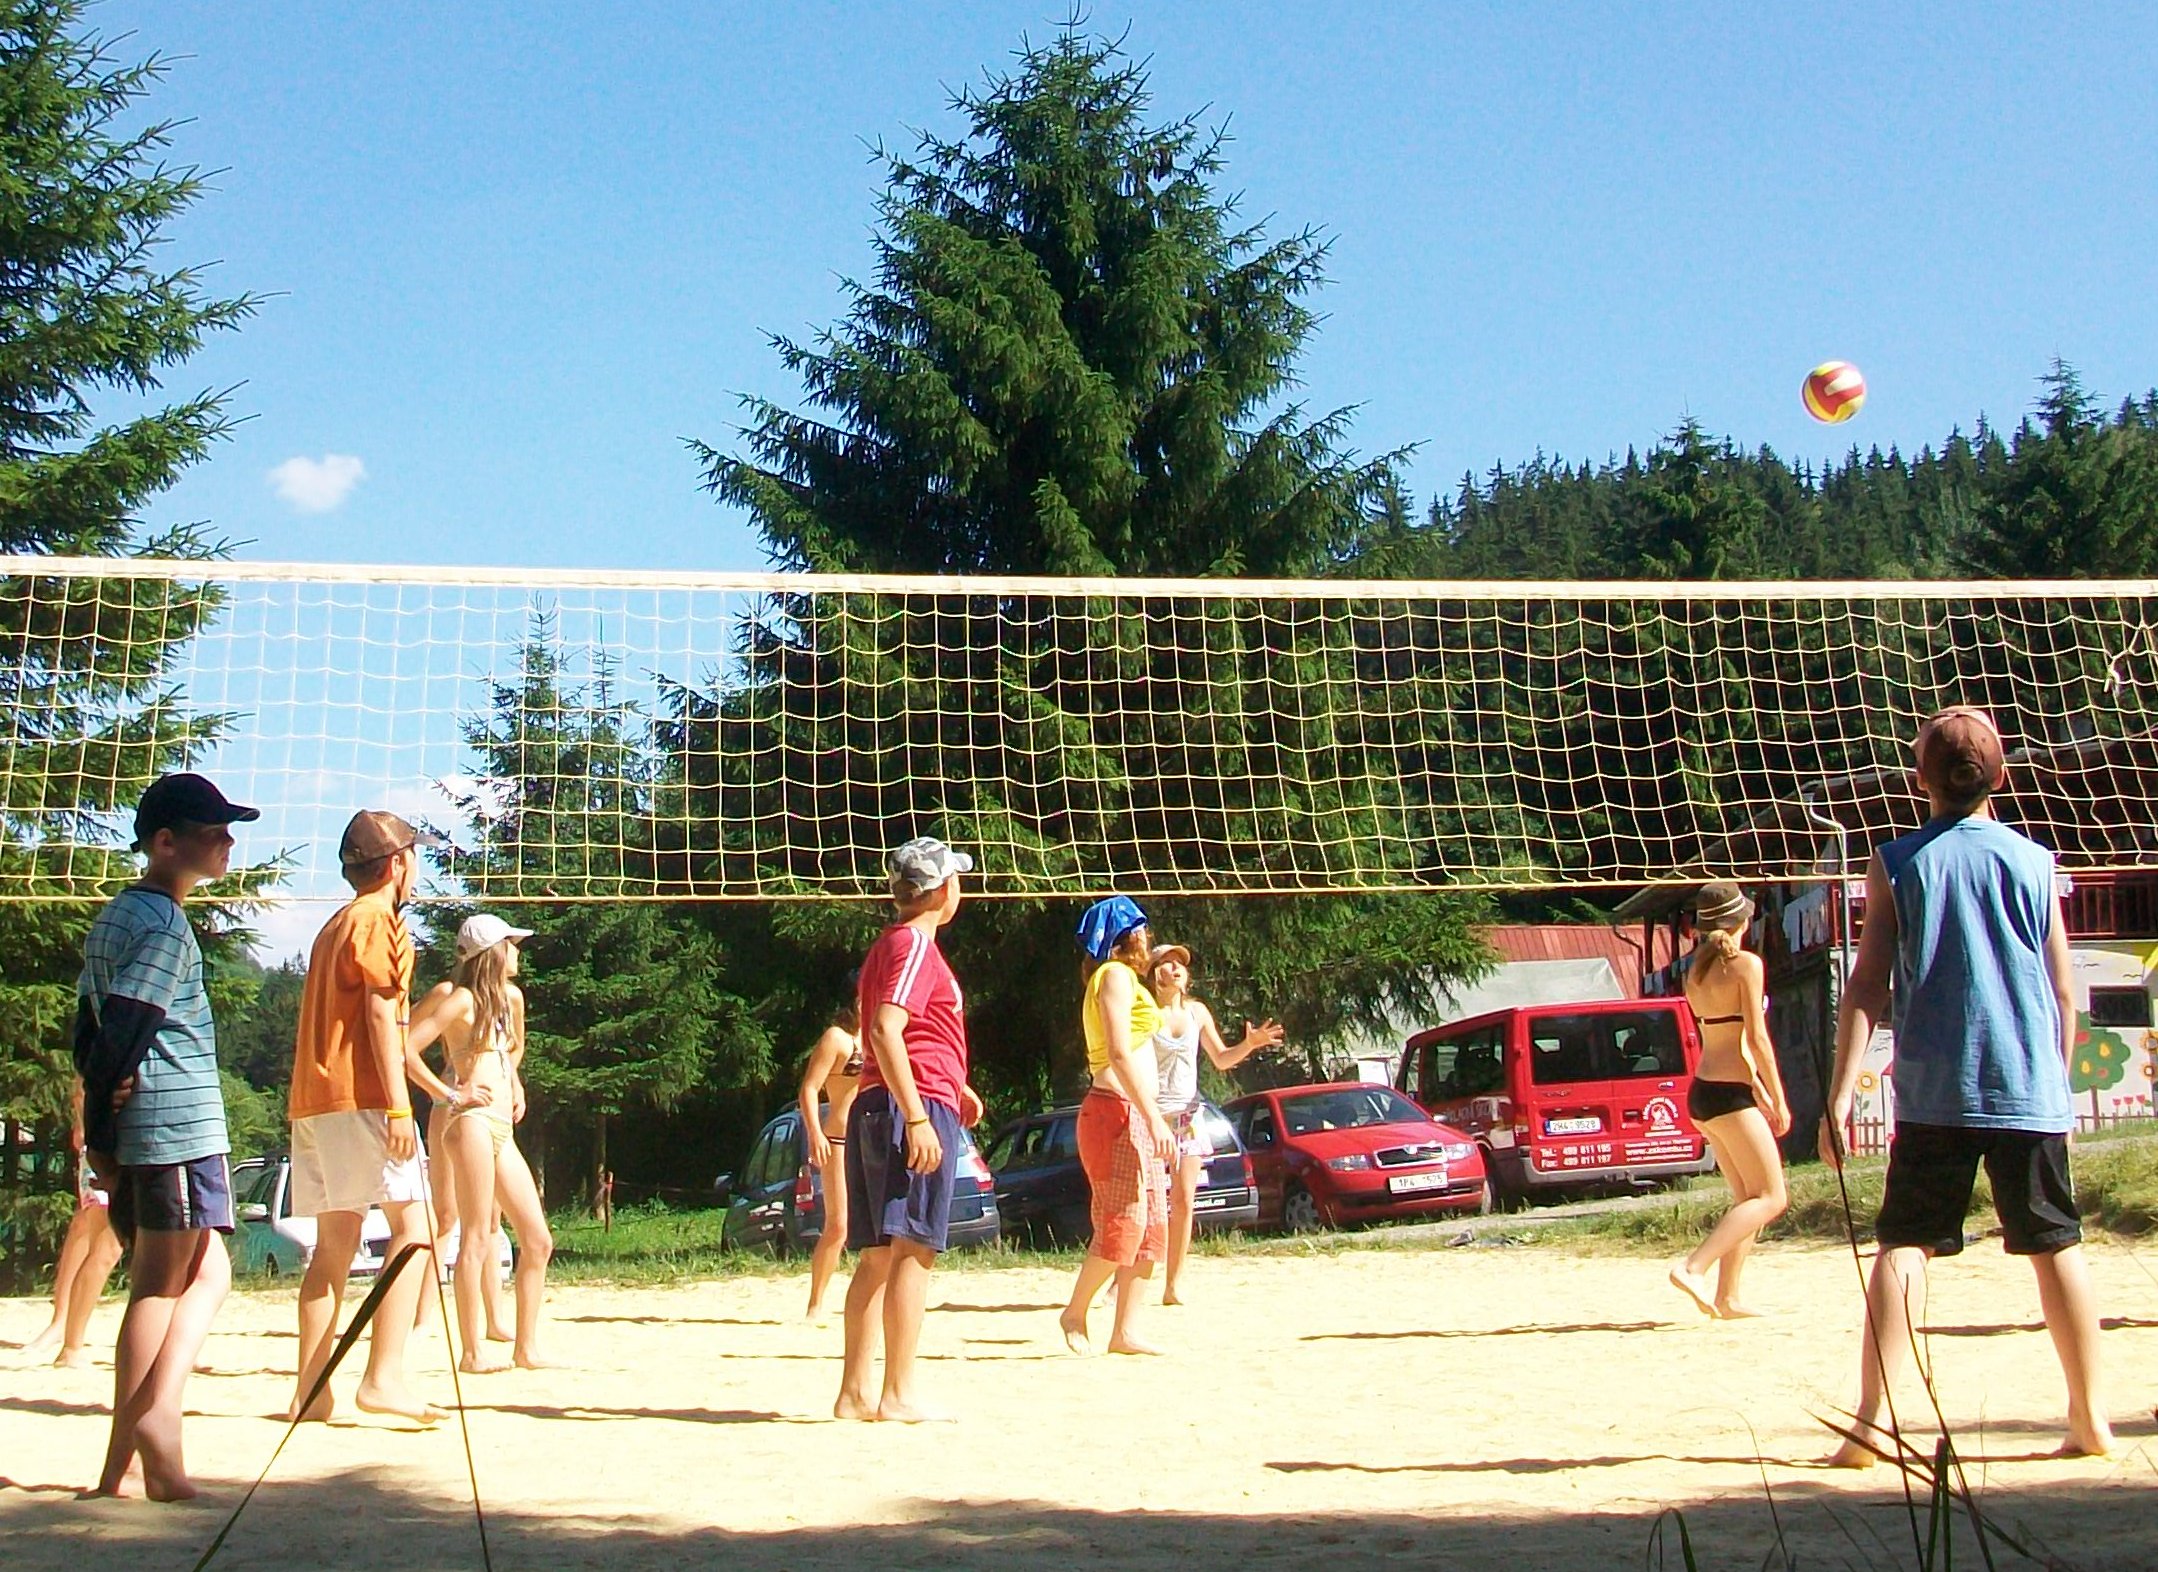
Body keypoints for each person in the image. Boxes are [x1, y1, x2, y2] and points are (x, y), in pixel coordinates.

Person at [1821, 706, 2112, 1465]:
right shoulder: (2036, 862)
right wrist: (2054, 1083)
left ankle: (1871, 1426)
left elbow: (1868, 985)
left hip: (1937, 1090)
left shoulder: (1897, 861)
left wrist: (1841, 1091)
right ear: (2001, 777)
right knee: (2057, 1244)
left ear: (1920, 780)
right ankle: (2090, 1420)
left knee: (1903, 1246)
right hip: (2028, 1086)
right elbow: (2065, 993)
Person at [74, 772, 257, 1499]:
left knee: (205, 1274)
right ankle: (156, 1422)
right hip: (175, 1124)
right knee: (162, 1285)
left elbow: (88, 1027)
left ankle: (125, 1467)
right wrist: (101, 1123)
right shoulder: (162, 925)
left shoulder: (118, 915)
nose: (228, 842)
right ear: (165, 842)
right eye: (214, 832)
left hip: (151, 1124)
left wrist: (102, 1119)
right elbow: (125, 1023)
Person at [283, 809, 447, 1424]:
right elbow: (383, 1020)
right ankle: (383, 1378)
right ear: (398, 862)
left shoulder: (335, 924)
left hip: (316, 1100)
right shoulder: (380, 922)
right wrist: (401, 1106)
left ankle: (311, 1391)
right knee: (417, 1230)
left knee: (334, 1246)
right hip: (363, 1099)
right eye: (415, 856)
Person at [833, 837, 985, 1423]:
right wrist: (920, 1115)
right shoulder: (918, 945)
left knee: (877, 1256)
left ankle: (854, 1394)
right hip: (907, 1108)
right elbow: (885, 1028)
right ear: (944, 890)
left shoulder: (887, 945)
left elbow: (907, 1033)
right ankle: (897, 1394)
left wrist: (953, 1082)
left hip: (883, 1101)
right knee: (914, 1250)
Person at [404, 913, 553, 1372]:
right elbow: (405, 1049)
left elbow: (516, 1048)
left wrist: (515, 1083)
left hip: (501, 1124)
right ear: (491, 953)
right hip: (469, 1121)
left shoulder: (512, 998)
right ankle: (472, 1353)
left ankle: (525, 1347)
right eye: (511, 943)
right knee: (473, 1234)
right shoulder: (461, 1001)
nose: (518, 951)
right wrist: (450, 1093)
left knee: (537, 1239)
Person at [1666, 882, 1791, 1318]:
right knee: (1772, 1198)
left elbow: (1724, 1040)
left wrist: (1758, 1089)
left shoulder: (1695, 972)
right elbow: (1755, 1039)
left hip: (1705, 1090)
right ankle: (1692, 1267)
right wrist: (1779, 1097)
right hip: (1728, 1095)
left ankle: (1728, 1297)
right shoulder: (1746, 965)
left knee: (1748, 1200)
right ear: (1743, 920)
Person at [1060, 896, 1176, 1356]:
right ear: (1124, 937)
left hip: (1134, 1112)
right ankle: (1074, 1312)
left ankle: (1124, 1331)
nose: (1147, 936)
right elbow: (1118, 1052)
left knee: (1151, 1229)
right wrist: (1153, 1117)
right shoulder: (1113, 975)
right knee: (1122, 1225)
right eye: (1141, 929)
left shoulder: (1127, 978)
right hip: (1116, 1111)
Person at [1146, 943, 1283, 1306]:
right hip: (1151, 1118)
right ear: (1152, 973)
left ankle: (1173, 1284)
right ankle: (1122, 1280)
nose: (1175, 968)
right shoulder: (1144, 1011)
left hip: (1188, 1117)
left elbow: (1221, 1059)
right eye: (1165, 963)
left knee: (1184, 1201)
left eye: (1179, 964)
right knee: (1144, 1203)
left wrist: (1249, 1044)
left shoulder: (1197, 1012)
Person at [22, 1082, 125, 1368]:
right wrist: (82, 1123)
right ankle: (70, 1342)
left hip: (107, 1143)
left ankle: (66, 1333)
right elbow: (81, 1086)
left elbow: (81, 1085)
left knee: (94, 1234)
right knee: (106, 1246)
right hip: (110, 1146)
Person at [797, 994, 864, 1321]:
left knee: (885, 1226)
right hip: (839, 1138)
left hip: (873, 1137)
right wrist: (815, 1133)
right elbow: (809, 1088)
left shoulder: (882, 1033)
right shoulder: (837, 1038)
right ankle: (816, 1302)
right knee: (838, 1226)